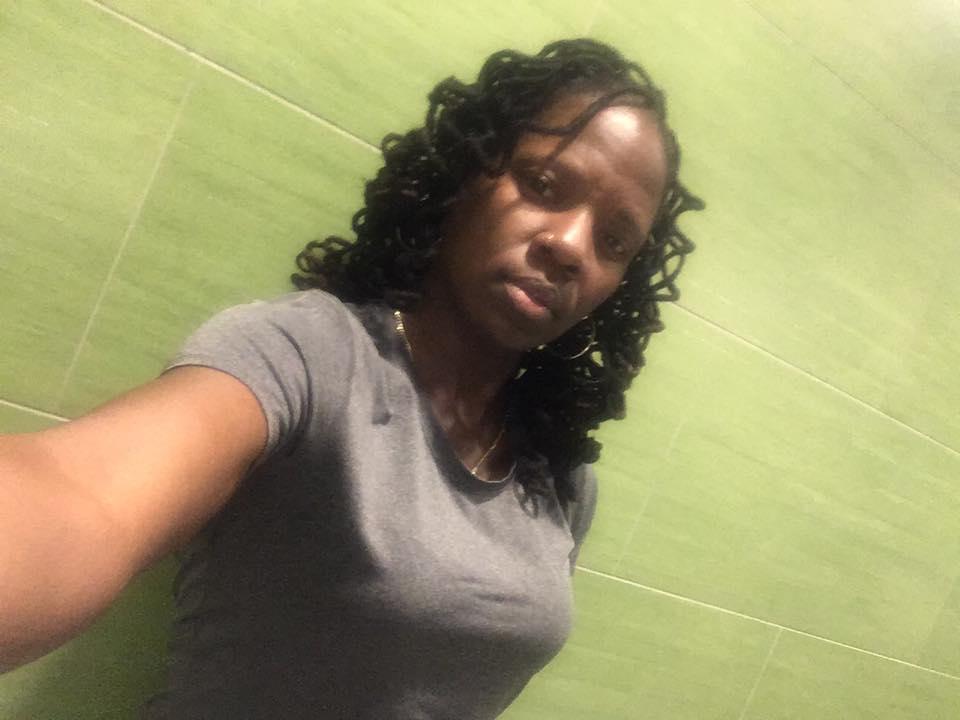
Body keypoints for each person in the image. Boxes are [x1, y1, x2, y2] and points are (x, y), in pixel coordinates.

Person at [0, 38, 702, 718]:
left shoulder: (560, 481)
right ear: (469, 173)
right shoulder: (309, 355)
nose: (571, 246)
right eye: (542, 185)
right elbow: (83, 495)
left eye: (614, 240)